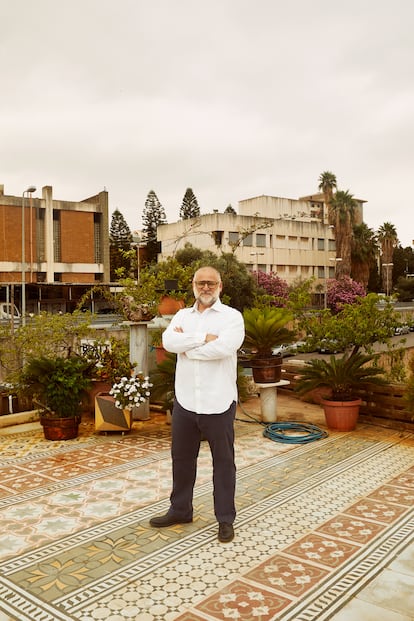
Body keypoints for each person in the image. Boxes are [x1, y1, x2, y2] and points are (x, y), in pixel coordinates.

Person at [149, 266, 245, 542]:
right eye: (201, 283)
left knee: (223, 463)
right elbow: (168, 342)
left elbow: (224, 349)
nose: (205, 287)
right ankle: (180, 509)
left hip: (218, 402)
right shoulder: (182, 315)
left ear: (220, 286)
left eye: (210, 283)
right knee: (181, 459)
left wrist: (187, 348)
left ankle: (225, 518)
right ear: (193, 285)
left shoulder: (231, 318)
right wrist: (202, 339)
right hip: (186, 402)